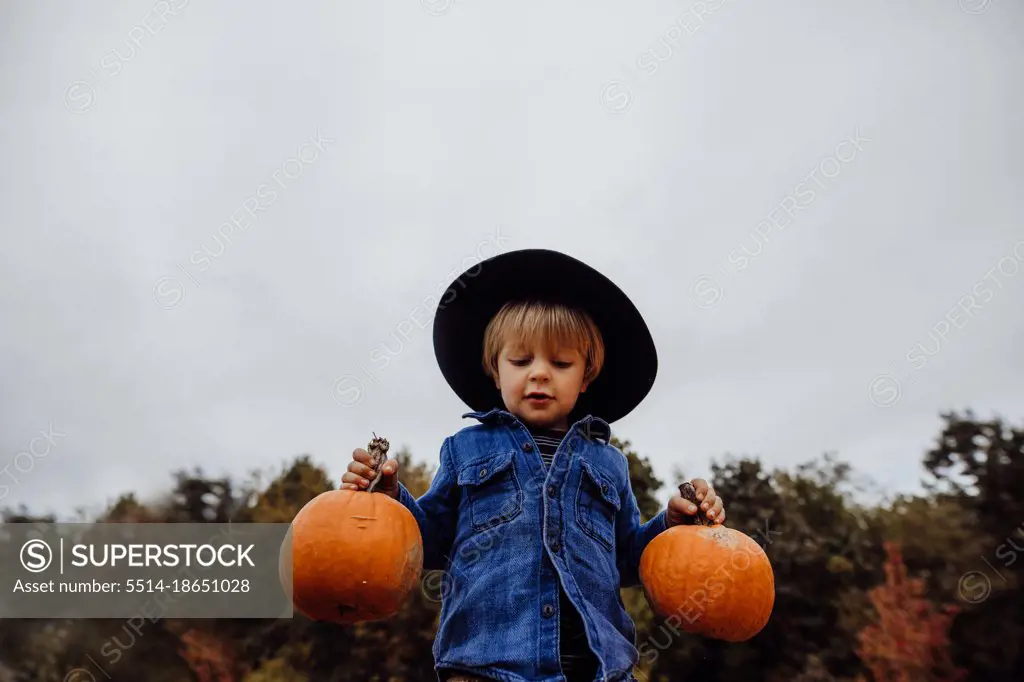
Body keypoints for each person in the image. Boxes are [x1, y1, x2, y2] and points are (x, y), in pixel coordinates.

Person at [342, 249, 727, 682]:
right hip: (487, 665)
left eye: (560, 363)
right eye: (521, 361)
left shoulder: (608, 463)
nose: (540, 374)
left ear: (585, 377)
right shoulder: (465, 450)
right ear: (495, 371)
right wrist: (389, 497)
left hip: (597, 669)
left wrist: (671, 524)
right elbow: (429, 541)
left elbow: (627, 560)